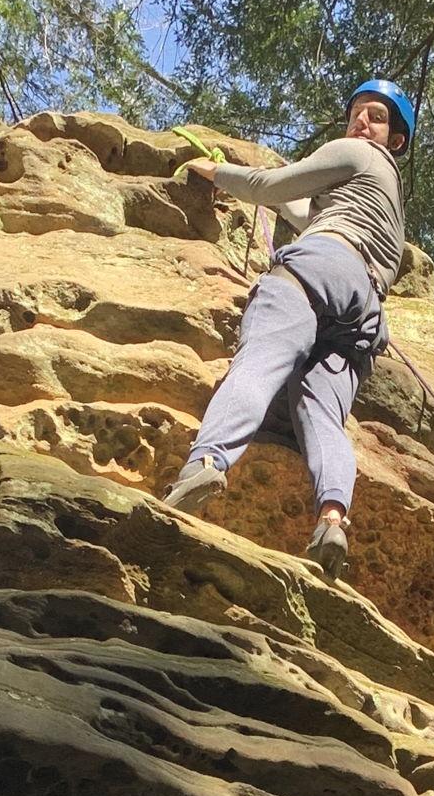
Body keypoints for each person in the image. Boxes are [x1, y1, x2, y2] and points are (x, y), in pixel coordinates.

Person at [162, 77, 416, 579]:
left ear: (396, 140)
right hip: (364, 308)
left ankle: (208, 464)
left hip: (318, 266)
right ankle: (332, 518)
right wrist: (273, 197)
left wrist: (217, 171)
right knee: (322, 409)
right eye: (357, 112)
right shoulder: (389, 203)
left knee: (262, 359)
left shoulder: (356, 154)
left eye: (377, 116)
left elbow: (271, 187)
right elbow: (301, 209)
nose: (362, 121)